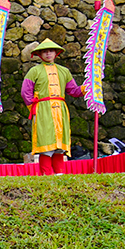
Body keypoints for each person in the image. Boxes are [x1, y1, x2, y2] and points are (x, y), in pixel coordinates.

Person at [22, 39, 84, 175]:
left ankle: (59, 174)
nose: (48, 53)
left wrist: (87, 88)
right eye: (45, 51)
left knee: (59, 146)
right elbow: (25, 91)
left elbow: (73, 90)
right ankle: (46, 175)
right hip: (43, 109)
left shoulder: (64, 71)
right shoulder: (34, 71)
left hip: (60, 109)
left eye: (51, 51)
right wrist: (33, 108)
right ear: (40, 54)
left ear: (56, 53)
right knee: (46, 143)